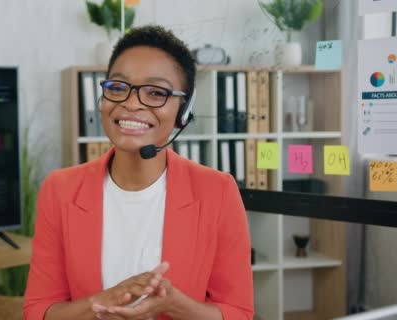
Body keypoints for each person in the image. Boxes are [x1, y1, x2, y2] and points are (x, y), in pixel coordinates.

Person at [24, 25, 253, 320]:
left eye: (156, 92)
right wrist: (103, 302)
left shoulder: (217, 191)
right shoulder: (61, 189)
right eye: (118, 87)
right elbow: (39, 312)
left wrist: (174, 304)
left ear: (183, 111)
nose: (131, 104)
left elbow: (238, 314)